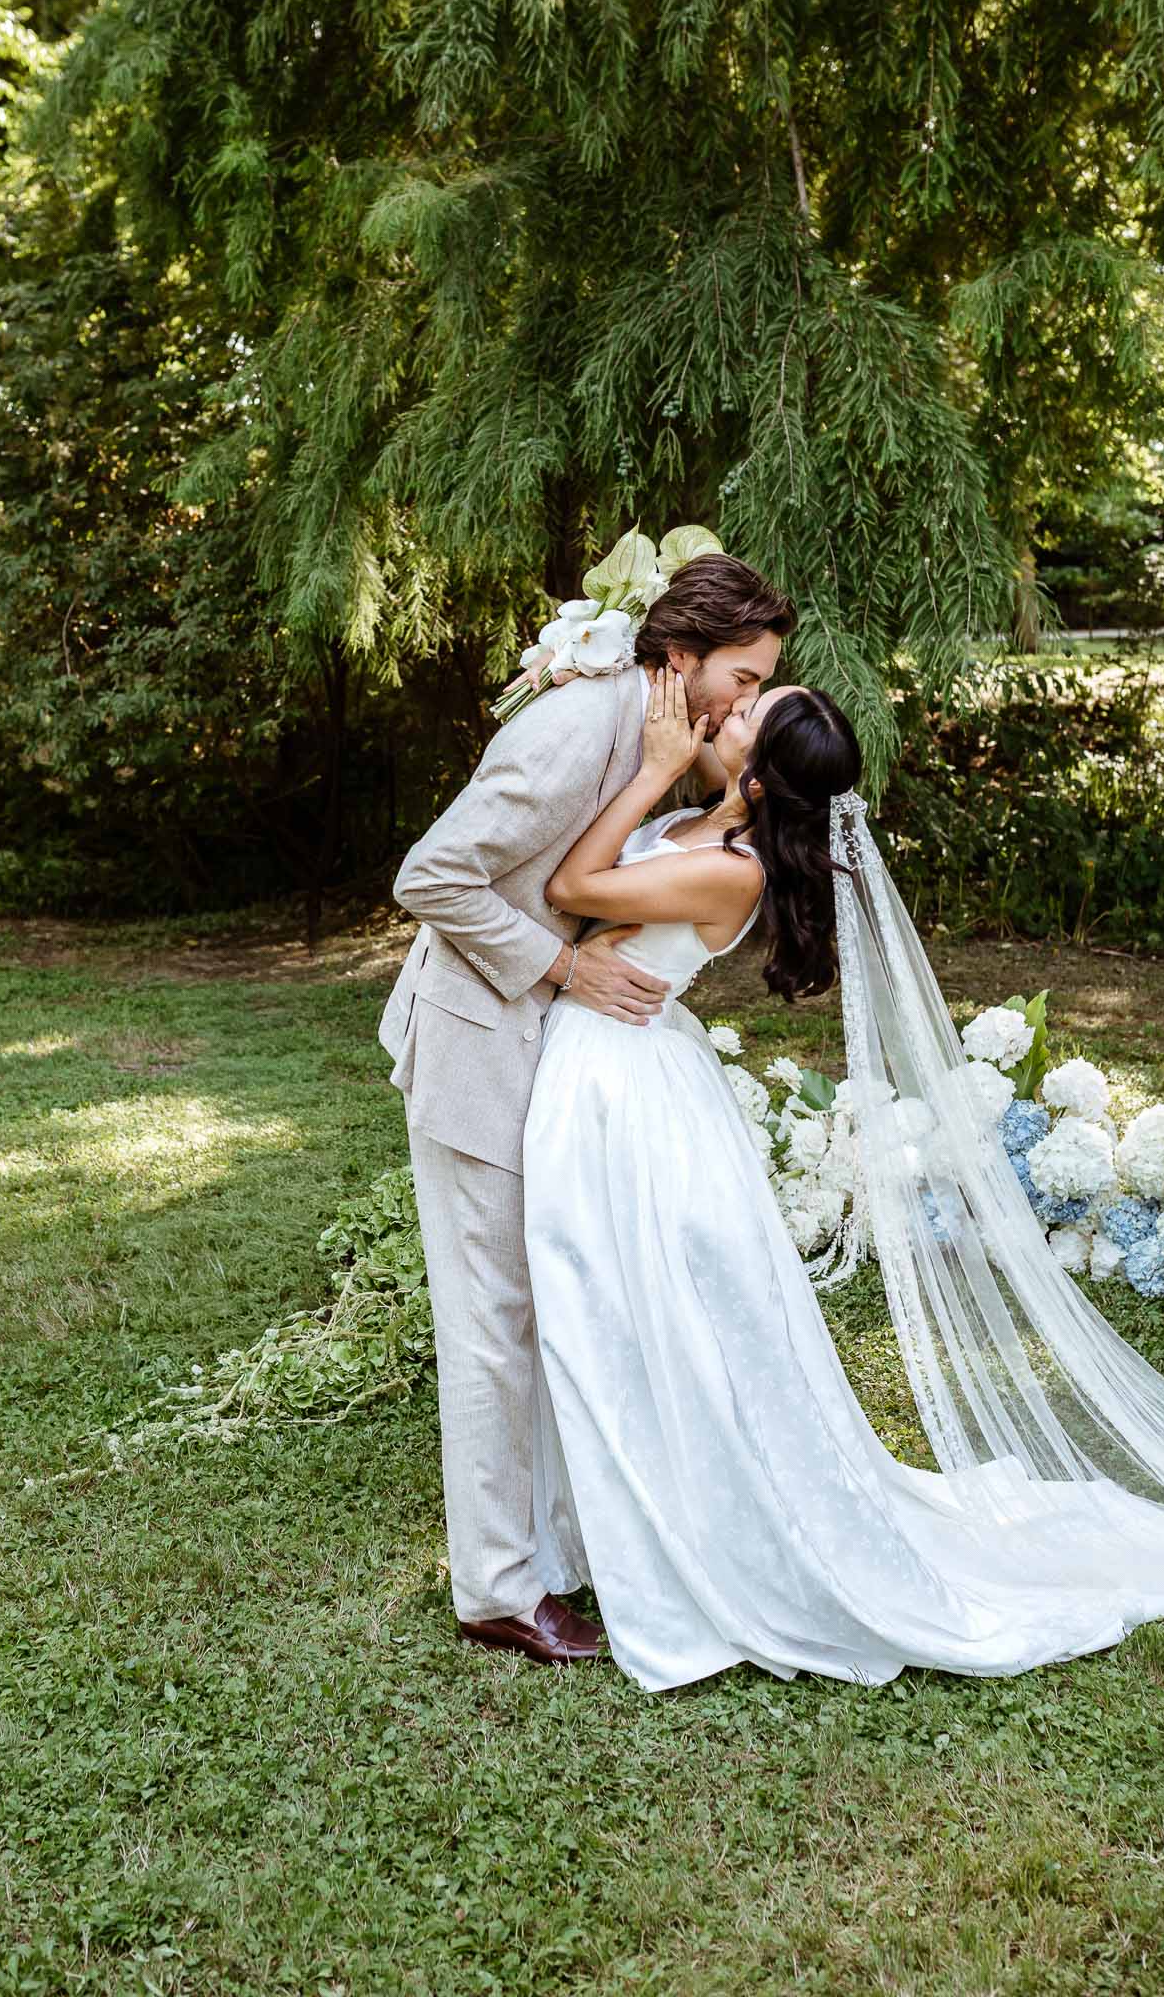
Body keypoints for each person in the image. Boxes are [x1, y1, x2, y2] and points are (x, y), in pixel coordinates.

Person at [517, 670, 1164, 1690]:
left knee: (643, 1306)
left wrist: (650, 772)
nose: (720, 712)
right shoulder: (722, 822)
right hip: (611, 1070)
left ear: (766, 775)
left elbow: (568, 887)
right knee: (621, 1304)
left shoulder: (731, 871)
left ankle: (689, 1518)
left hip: (625, 1082)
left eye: (744, 713)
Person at [378, 553, 795, 1663]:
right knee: (492, 1326)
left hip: (545, 1060)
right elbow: (430, 875)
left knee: (533, 1308)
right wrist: (562, 972)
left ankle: (554, 1546)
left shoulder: (651, 736)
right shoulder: (580, 729)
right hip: (478, 1049)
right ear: (682, 655)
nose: (744, 704)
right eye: (743, 678)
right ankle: (497, 1591)